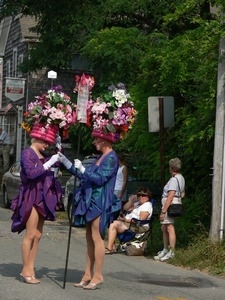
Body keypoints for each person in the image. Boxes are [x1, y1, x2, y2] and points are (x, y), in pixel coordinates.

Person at [59, 130, 119, 290]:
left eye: (97, 139)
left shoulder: (112, 158)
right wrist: (67, 163)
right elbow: (85, 175)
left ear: (105, 141)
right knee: (89, 238)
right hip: (90, 199)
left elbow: (100, 179)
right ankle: (87, 274)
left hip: (99, 200)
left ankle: (98, 275)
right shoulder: (100, 158)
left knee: (96, 237)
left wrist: (84, 171)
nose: (94, 142)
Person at [10, 129, 62, 284]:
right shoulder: (28, 153)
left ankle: (30, 267)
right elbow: (32, 173)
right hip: (32, 195)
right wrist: (48, 164)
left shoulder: (41, 155)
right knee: (30, 234)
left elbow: (58, 161)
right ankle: (26, 269)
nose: (47, 145)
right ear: (37, 139)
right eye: (45, 142)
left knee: (38, 235)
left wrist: (59, 147)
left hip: (43, 196)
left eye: (49, 142)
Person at [154, 157, 185, 262]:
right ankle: (165, 249)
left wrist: (163, 211)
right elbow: (182, 193)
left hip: (169, 205)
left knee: (169, 227)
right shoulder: (181, 178)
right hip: (175, 203)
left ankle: (171, 251)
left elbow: (170, 195)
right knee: (164, 227)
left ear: (171, 167)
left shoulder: (173, 179)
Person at [105, 187, 153, 254]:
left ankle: (109, 248)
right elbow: (125, 208)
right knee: (111, 222)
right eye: (139, 195)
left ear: (148, 197)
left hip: (139, 226)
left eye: (143, 195)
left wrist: (126, 220)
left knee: (114, 224)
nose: (141, 197)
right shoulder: (136, 204)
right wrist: (131, 201)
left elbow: (140, 221)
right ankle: (112, 247)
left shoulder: (147, 205)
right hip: (129, 223)